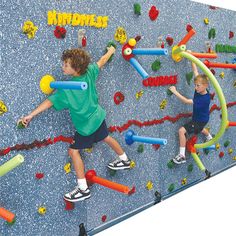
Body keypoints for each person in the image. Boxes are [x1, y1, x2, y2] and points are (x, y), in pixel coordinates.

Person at [20, 46, 131, 202]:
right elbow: (102, 61)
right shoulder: (90, 71)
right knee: (106, 137)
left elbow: (49, 102)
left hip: (86, 128)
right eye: (63, 63)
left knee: (74, 152)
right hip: (98, 117)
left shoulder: (68, 90)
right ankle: (124, 159)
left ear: (77, 68)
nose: (62, 66)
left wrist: (31, 114)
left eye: (66, 65)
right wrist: (111, 51)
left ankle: (83, 189)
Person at [169, 61, 212, 164]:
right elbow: (195, 71)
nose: (195, 87)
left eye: (198, 86)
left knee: (181, 131)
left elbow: (186, 101)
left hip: (198, 121)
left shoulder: (204, 99)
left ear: (205, 86)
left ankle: (182, 155)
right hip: (202, 118)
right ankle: (209, 136)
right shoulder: (201, 89)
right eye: (195, 85)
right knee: (200, 128)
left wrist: (174, 91)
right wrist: (191, 57)